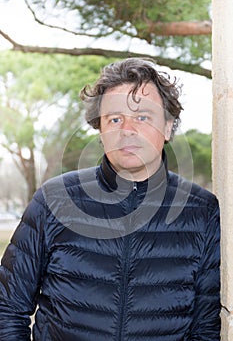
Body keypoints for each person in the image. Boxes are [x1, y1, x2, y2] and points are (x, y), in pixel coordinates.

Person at [0, 57, 220, 340]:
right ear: (100, 129)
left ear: (167, 127)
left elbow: (205, 328)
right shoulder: (54, 200)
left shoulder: (201, 211)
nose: (127, 129)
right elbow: (8, 308)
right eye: (115, 119)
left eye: (143, 117)